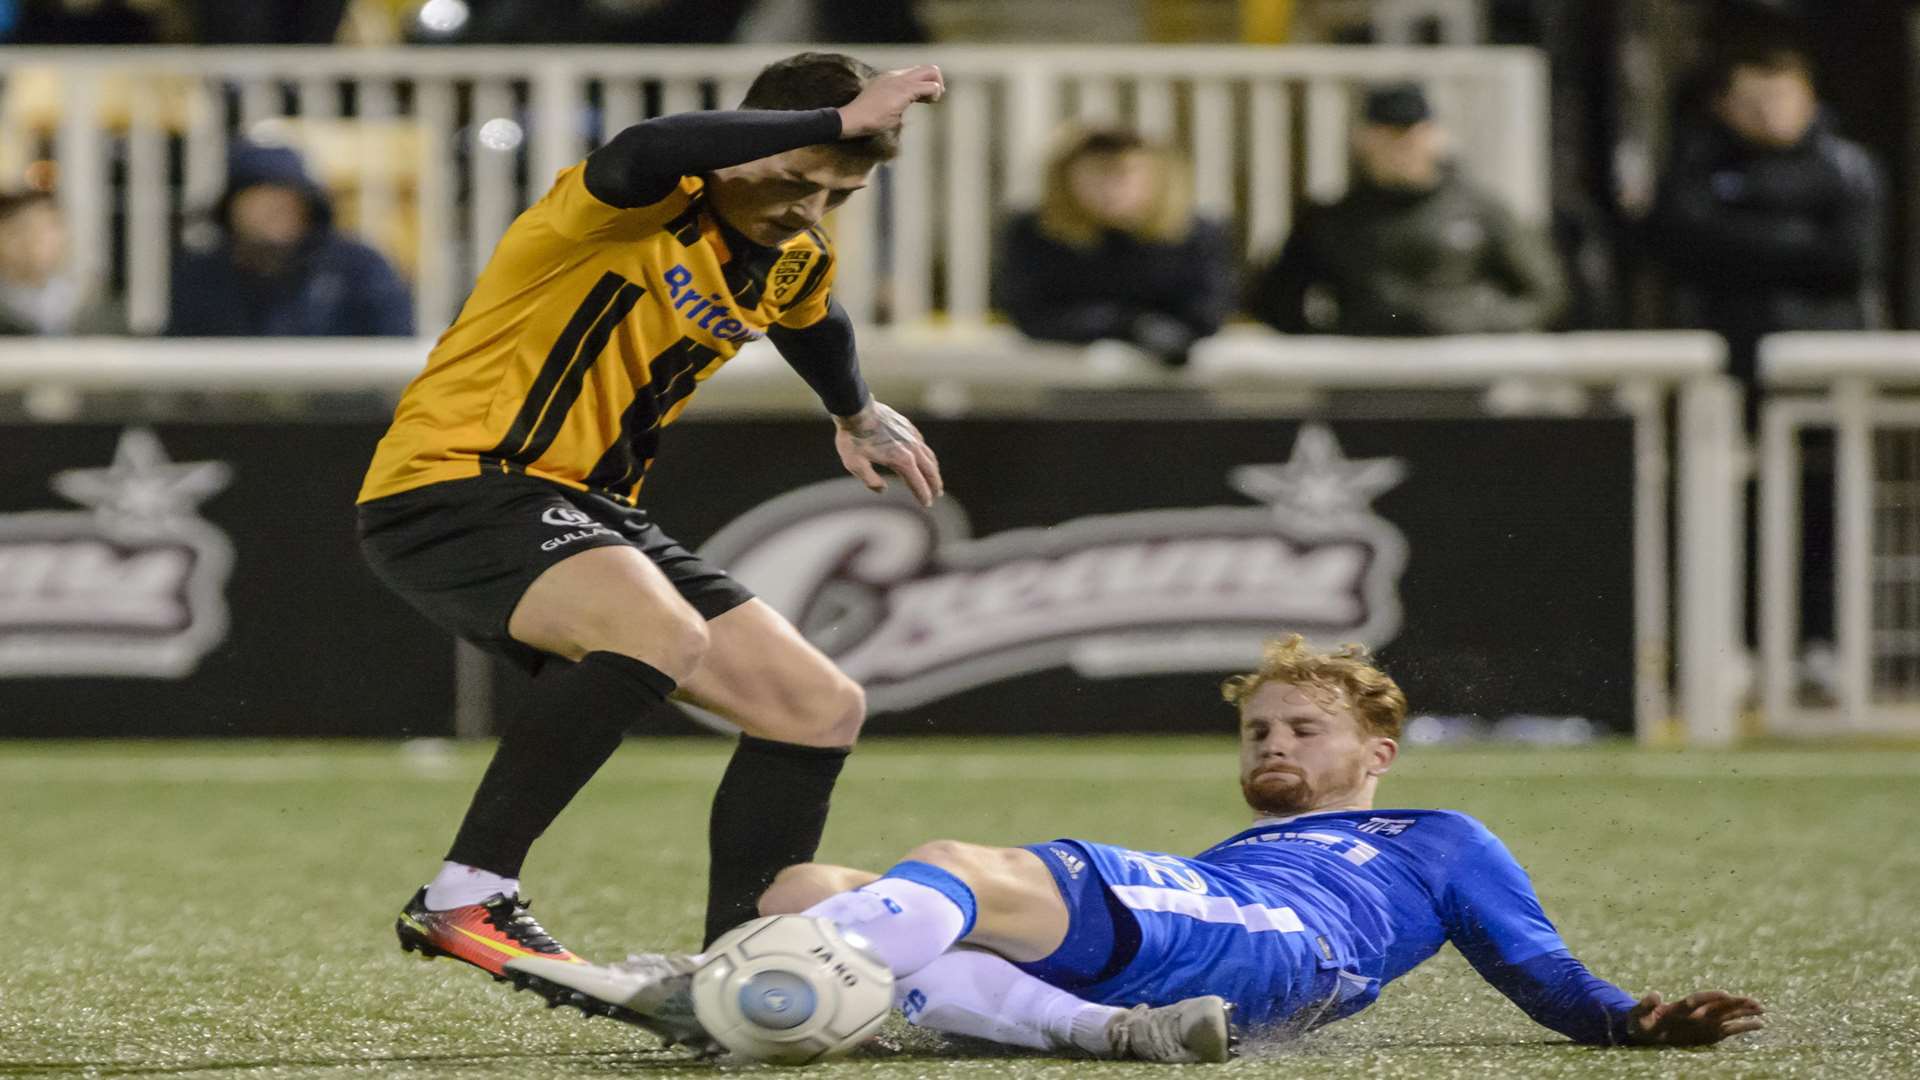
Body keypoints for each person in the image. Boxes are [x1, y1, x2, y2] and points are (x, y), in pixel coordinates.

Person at [358, 53, 946, 982]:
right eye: (796, 179)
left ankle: (739, 972)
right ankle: (465, 895)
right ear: (741, 148)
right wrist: (835, 124)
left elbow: (812, 321)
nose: (808, 209)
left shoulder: (793, 253)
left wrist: (855, 414)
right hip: (456, 483)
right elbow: (645, 142)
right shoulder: (632, 202)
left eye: (836, 195)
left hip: (593, 507)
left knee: (816, 706)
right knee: (654, 631)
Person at [508, 635, 1766, 1061]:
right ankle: (1110, 1034)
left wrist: (1626, 1022)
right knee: (809, 884)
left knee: (957, 860)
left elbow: (1536, 967)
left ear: (1376, 750)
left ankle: (728, 985)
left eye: (1304, 728)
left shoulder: (1433, 836)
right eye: (1259, 728)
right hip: (1223, 924)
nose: (1272, 744)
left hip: (1289, 948)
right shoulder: (1235, 845)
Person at [1647, 38, 1884, 404]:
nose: (1770, 112)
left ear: (1809, 98)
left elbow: (1848, 258)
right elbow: (1688, 245)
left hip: (1828, 358)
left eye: (1782, 97)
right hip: (1728, 357)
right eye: (1755, 100)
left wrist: (1746, 243)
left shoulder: (1846, 168)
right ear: (1723, 105)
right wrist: (1801, 242)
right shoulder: (1699, 165)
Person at [1246, 83, 1566, 336]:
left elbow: (1544, 294)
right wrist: (1332, 339)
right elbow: (1276, 300)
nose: (1403, 145)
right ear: (1364, 139)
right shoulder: (1333, 219)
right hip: (1363, 379)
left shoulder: (1481, 210)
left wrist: (1478, 324)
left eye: (1412, 132)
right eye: (1389, 134)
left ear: (1435, 136)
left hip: (1462, 374)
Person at [994, 127, 1234, 368]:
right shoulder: (1036, 232)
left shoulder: (1196, 234)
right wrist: (1129, 324)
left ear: (1158, 178)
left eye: (1125, 175)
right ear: (1066, 180)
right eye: (1096, 176)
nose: (1111, 189)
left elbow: (1207, 315)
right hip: (1064, 366)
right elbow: (1028, 314)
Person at [165, 141, 414, 337]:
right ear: (232, 208)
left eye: (288, 198)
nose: (276, 210)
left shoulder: (358, 268)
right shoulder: (201, 275)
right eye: (261, 198)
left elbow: (396, 345)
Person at [0, 190, 120, 336]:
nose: (55, 240)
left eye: (55, 228)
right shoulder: (7, 307)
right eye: (33, 231)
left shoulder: (82, 303)